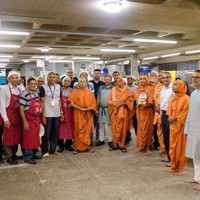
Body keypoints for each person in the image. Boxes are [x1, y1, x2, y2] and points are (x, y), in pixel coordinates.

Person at [68, 77, 96, 154]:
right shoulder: (74, 92)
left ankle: (86, 147)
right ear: (78, 83)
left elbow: (94, 104)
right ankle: (77, 147)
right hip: (77, 113)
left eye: (83, 81)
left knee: (87, 130)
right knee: (77, 130)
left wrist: (87, 109)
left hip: (87, 114)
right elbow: (71, 103)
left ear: (86, 83)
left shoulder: (89, 92)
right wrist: (81, 109)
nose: (82, 83)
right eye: (80, 81)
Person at [167, 80, 189, 175]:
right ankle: (174, 165)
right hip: (173, 127)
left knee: (181, 148)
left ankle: (181, 167)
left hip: (182, 127)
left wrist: (175, 118)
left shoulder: (187, 99)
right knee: (173, 147)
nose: (173, 86)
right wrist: (170, 118)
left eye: (175, 85)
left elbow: (186, 114)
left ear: (181, 86)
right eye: (173, 85)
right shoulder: (172, 98)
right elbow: (169, 112)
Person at [40, 72, 64, 157]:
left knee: (55, 133)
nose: (52, 78)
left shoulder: (58, 87)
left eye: (54, 77)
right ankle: (45, 151)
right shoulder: (43, 87)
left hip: (57, 113)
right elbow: (42, 103)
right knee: (46, 134)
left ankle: (53, 150)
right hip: (47, 114)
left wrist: (61, 112)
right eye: (50, 77)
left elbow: (59, 100)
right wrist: (43, 116)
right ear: (47, 78)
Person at [108, 76, 134, 153]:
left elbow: (130, 100)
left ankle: (122, 145)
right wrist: (115, 104)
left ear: (122, 81)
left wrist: (122, 104)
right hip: (115, 112)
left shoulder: (127, 90)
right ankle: (115, 144)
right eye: (117, 81)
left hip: (124, 112)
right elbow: (109, 100)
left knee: (123, 128)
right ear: (115, 82)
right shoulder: (112, 90)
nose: (118, 82)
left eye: (120, 80)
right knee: (115, 128)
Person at [0, 71, 21, 164]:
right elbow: (2, 106)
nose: (15, 79)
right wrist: (5, 119)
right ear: (8, 79)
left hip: (17, 116)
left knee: (16, 136)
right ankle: (9, 156)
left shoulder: (20, 89)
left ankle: (14, 153)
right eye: (12, 77)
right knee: (8, 137)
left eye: (16, 77)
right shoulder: (5, 89)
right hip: (9, 115)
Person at [19, 78, 42, 164]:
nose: (33, 85)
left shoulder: (36, 93)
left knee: (35, 138)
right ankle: (28, 157)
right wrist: (25, 122)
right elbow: (21, 109)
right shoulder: (24, 94)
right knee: (29, 139)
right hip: (28, 120)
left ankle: (33, 154)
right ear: (27, 85)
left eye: (34, 84)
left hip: (36, 120)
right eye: (31, 84)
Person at [184, 70, 200, 191]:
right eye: (193, 77)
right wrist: (186, 129)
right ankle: (197, 177)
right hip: (194, 129)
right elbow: (190, 113)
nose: (194, 79)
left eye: (197, 77)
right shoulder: (194, 93)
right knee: (195, 155)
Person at [133, 74, 154, 154]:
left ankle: (148, 146)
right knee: (140, 128)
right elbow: (136, 99)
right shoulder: (136, 89)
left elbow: (151, 101)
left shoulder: (150, 89)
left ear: (147, 79)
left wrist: (147, 104)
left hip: (148, 111)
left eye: (144, 79)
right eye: (141, 79)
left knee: (148, 129)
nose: (142, 80)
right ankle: (141, 146)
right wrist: (140, 103)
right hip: (140, 111)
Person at [160, 71, 174, 166]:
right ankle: (169, 156)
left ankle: (173, 159)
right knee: (166, 137)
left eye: (167, 77)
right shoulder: (162, 89)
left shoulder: (173, 88)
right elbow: (162, 103)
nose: (165, 79)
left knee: (171, 138)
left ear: (170, 78)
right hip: (163, 114)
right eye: (163, 77)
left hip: (170, 115)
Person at [96, 75, 113, 147]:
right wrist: (96, 109)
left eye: (108, 79)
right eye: (105, 79)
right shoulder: (100, 88)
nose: (107, 81)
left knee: (110, 126)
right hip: (101, 109)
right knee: (101, 125)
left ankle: (110, 140)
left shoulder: (113, 88)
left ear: (111, 80)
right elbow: (98, 98)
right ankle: (101, 140)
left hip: (110, 109)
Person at [58, 77, 74, 152]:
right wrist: (61, 111)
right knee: (61, 129)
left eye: (68, 81)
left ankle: (68, 145)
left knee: (70, 129)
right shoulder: (59, 90)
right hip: (61, 111)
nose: (67, 82)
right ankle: (61, 146)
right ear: (62, 82)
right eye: (65, 81)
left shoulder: (72, 90)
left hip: (70, 112)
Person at [90, 69, 105, 144]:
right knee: (90, 123)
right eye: (95, 73)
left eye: (98, 73)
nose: (97, 75)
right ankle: (90, 138)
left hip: (99, 105)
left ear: (100, 75)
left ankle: (98, 138)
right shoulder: (89, 83)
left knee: (99, 123)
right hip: (90, 105)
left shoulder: (103, 84)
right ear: (93, 74)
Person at [154, 71, 166, 157]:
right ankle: (163, 149)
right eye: (159, 76)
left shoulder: (169, 87)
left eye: (162, 76)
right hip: (157, 112)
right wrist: (156, 108)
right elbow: (155, 99)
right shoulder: (157, 87)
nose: (161, 77)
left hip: (165, 113)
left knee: (166, 132)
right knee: (159, 132)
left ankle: (166, 151)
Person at [126, 74, 138, 142]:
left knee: (136, 124)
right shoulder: (124, 87)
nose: (129, 80)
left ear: (133, 80)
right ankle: (127, 137)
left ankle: (138, 138)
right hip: (126, 108)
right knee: (126, 123)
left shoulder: (136, 88)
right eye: (128, 78)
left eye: (130, 78)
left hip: (135, 108)